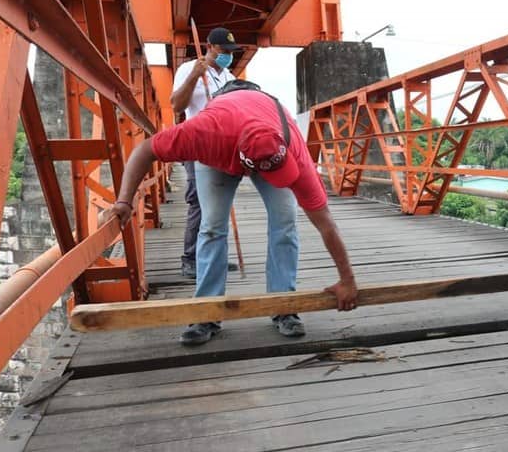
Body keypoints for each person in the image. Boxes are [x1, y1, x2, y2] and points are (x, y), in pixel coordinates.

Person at [99, 89, 359, 345]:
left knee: (286, 222)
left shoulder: (293, 149)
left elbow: (326, 224)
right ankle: (206, 312)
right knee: (212, 226)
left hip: (265, 129)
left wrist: (347, 280)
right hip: (222, 146)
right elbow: (144, 151)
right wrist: (123, 200)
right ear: (245, 164)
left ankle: (284, 306)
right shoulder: (202, 133)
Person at [170, 27, 238, 279]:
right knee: (198, 201)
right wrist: (195, 78)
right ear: (209, 47)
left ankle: (215, 256)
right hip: (197, 143)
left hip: (224, 146)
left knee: (222, 200)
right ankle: (190, 258)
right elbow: (177, 105)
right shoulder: (189, 69)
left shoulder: (229, 76)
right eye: (223, 51)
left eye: (231, 52)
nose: (227, 55)